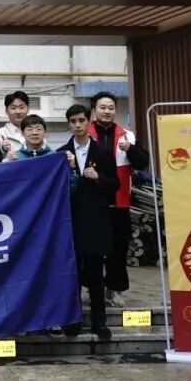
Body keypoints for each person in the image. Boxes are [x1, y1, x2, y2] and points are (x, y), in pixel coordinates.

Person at [57, 104, 119, 340]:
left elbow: (116, 185)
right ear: (68, 125)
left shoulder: (103, 151)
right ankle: (73, 321)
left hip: (95, 220)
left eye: (81, 120)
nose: (78, 125)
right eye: (73, 121)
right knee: (72, 274)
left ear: (89, 121)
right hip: (71, 221)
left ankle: (99, 322)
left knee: (95, 275)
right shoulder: (61, 153)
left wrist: (98, 177)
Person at [89, 91, 149, 308]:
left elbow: (142, 163)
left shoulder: (127, 136)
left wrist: (130, 150)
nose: (107, 111)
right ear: (94, 110)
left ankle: (114, 290)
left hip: (120, 201)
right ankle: (93, 289)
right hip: (92, 202)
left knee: (118, 249)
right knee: (92, 250)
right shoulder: (84, 133)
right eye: (102, 107)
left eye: (111, 108)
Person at [0, 91, 30, 157]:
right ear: (6, 111)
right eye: (13, 108)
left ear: (28, 109)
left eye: (22, 107)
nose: (18, 112)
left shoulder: (35, 132)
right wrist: (3, 150)